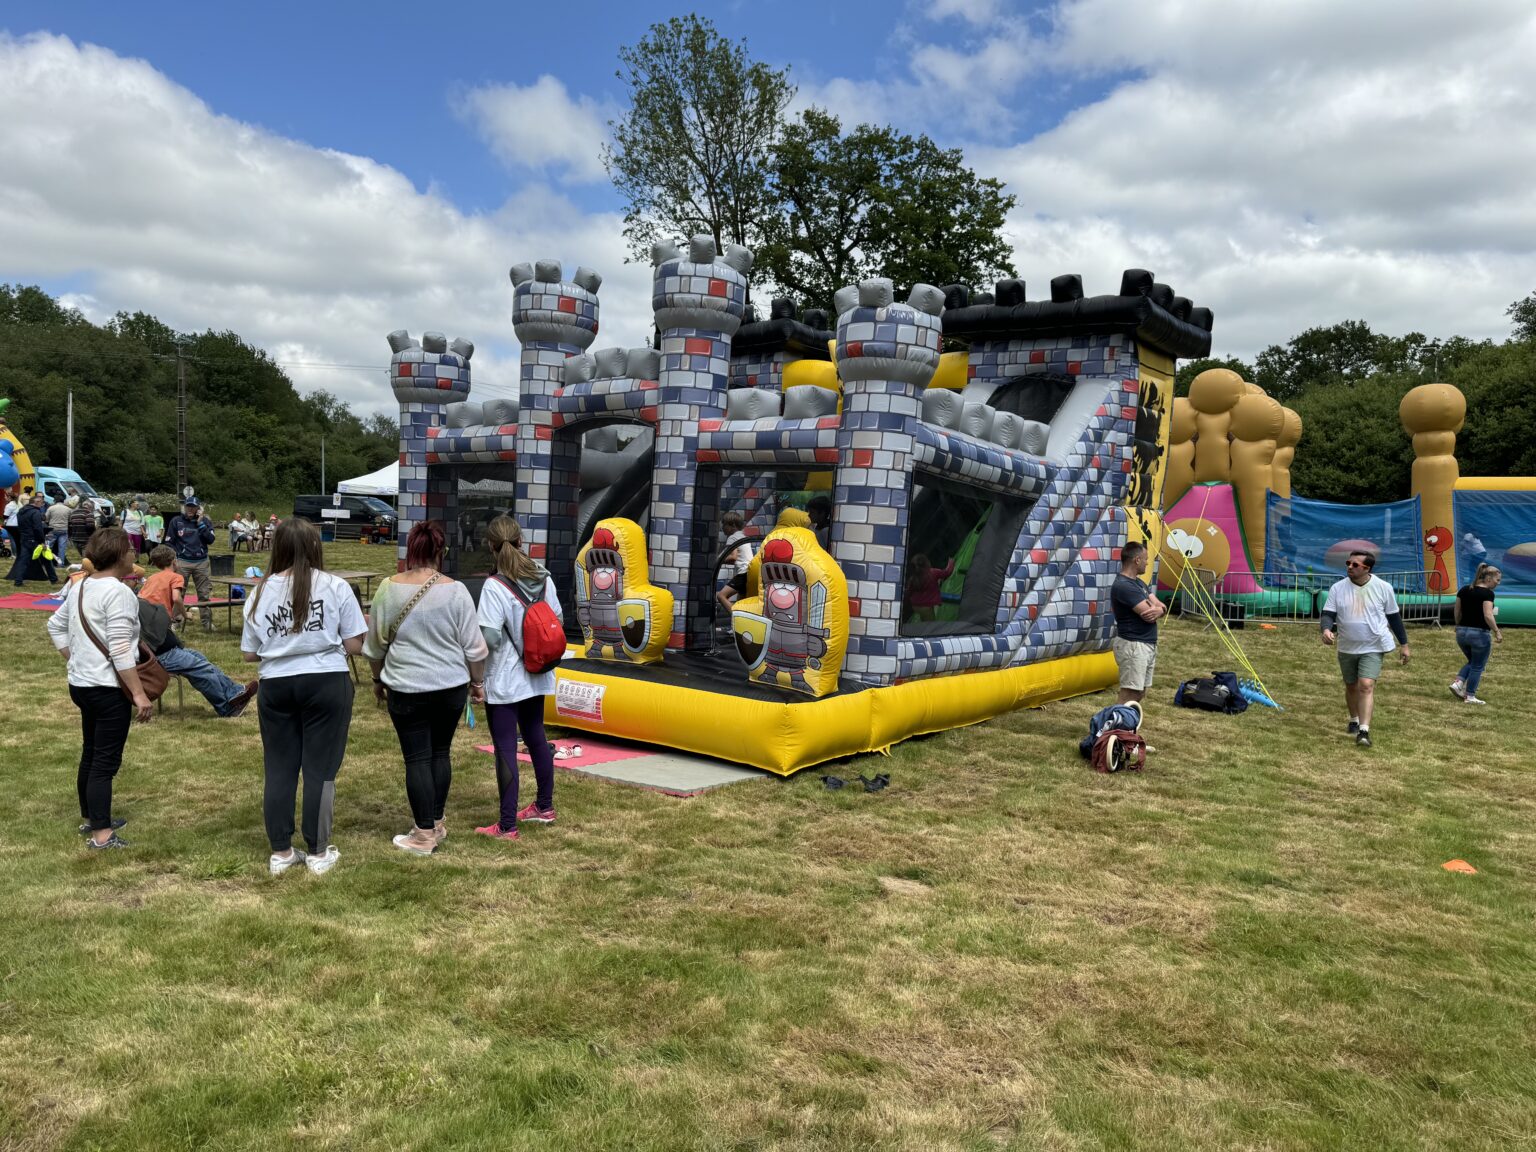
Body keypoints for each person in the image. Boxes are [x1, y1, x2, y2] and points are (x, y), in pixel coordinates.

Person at [241, 518, 367, 876]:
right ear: (314, 546)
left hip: (276, 683)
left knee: (279, 768)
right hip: (326, 680)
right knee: (320, 769)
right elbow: (354, 645)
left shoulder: (259, 592)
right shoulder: (335, 586)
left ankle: (281, 851)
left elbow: (249, 653)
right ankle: (317, 850)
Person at [363, 520, 488, 856]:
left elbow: (374, 648)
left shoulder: (388, 589)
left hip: (406, 687)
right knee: (440, 753)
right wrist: (477, 683)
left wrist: (377, 680)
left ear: (411, 551)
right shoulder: (457, 591)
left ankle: (423, 835)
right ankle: (436, 822)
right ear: (440, 551)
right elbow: (476, 649)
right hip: (451, 687)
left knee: (417, 758)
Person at [47, 527, 152, 850]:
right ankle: (102, 835)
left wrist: (76, 658)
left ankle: (93, 817)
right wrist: (139, 693)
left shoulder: (81, 585)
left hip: (81, 683)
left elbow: (55, 625)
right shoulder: (118, 592)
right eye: (130, 550)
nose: (134, 555)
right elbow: (120, 648)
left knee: (91, 752)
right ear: (120, 556)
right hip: (107, 688)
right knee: (105, 761)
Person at [475, 514, 562, 841]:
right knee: (536, 736)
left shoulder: (494, 585)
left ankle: (507, 824)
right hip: (538, 671)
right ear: (521, 541)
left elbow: (490, 637)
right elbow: (557, 617)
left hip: (505, 678)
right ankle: (544, 806)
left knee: (505, 748)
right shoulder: (543, 577)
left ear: (490, 546)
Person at [1320, 550, 1410, 749]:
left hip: (1374, 645)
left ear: (1367, 568)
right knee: (1351, 685)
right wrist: (1326, 629)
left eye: (1355, 565)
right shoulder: (1338, 588)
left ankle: (1363, 731)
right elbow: (1328, 613)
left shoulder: (1383, 588)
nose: (1349, 567)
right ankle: (1354, 719)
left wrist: (1404, 645)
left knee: (1366, 685)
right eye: (1348, 563)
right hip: (1347, 646)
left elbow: (1394, 618)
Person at [138, 595, 258, 717]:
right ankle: (227, 708)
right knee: (204, 671)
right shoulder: (131, 605)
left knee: (205, 664)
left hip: (171, 651)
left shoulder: (135, 601)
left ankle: (234, 693)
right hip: (162, 657)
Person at [1111, 541, 1166, 706]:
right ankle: (1114, 721)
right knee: (1129, 693)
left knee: (1139, 692)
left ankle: (1124, 720)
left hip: (1145, 644)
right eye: (1146, 559)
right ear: (1137, 560)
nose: (1147, 563)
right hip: (1134, 645)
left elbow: (1161, 606)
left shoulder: (1139, 584)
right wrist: (1158, 609)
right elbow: (1149, 615)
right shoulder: (1124, 586)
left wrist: (1160, 609)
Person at [1450, 563, 1503, 706]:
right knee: (1477, 666)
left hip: (1461, 633)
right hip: (1479, 634)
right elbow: (1488, 615)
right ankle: (1470, 695)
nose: (1498, 583)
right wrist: (1497, 631)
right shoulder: (1488, 594)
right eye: (1497, 580)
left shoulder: (1464, 590)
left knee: (1473, 662)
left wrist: (1457, 624)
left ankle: (1458, 682)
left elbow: (1457, 610)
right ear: (1488, 579)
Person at [168, 496, 217, 631]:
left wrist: (200, 523)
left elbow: (211, 540)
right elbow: (169, 542)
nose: (190, 509)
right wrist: (175, 557)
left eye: (193, 507)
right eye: (188, 506)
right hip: (182, 562)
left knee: (204, 594)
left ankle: (207, 623)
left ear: (198, 508)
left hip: (202, 562)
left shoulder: (205, 521)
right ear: (184, 507)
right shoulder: (176, 521)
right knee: (178, 593)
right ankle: (176, 621)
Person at [13, 492, 56, 586]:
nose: (42, 504)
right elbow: (38, 528)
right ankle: (53, 579)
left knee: (23, 561)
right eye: (41, 502)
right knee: (46, 559)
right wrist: (42, 541)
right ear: (36, 502)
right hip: (34, 539)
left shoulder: (21, 512)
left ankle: (18, 581)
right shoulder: (35, 512)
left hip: (24, 538)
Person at [715, 510, 754, 613]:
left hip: (743, 573)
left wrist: (718, 561)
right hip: (750, 573)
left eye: (724, 524)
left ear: (732, 525)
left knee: (721, 596)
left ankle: (737, 619)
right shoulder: (742, 536)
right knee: (740, 605)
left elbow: (733, 557)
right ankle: (741, 621)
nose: (722, 527)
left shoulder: (733, 537)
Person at [138, 544, 187, 622]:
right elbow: (176, 598)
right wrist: (185, 614)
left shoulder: (151, 577)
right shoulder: (177, 577)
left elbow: (140, 595)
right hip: (161, 615)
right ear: (174, 561)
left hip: (144, 614)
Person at [905, 552, 955, 622]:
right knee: (931, 624)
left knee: (924, 618)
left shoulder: (913, 578)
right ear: (927, 563)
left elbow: (909, 592)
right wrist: (951, 562)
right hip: (926, 606)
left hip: (916, 605)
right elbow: (947, 572)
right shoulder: (933, 572)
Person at [46, 495, 72, 565]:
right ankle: (61, 563)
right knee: (62, 548)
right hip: (64, 529)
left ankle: (48, 563)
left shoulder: (51, 508)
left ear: (55, 500)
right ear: (63, 501)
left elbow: (46, 519)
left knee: (49, 547)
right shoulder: (68, 509)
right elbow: (70, 520)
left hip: (53, 529)